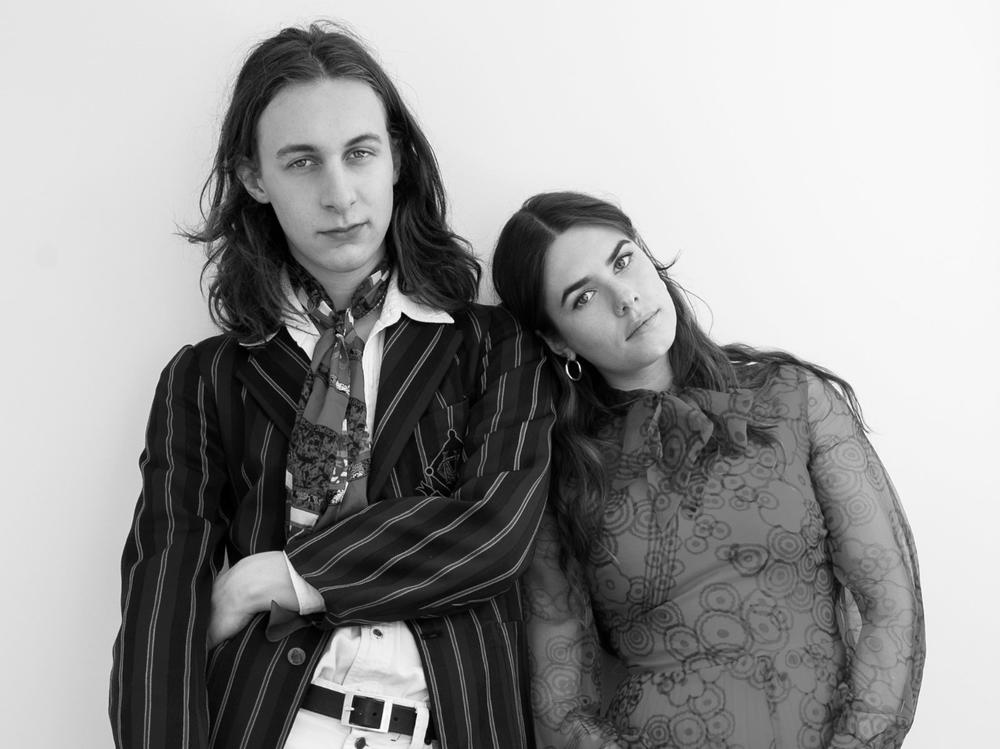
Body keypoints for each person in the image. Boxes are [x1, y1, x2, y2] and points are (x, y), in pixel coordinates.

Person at [109, 23, 553, 749]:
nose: (339, 194)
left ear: (397, 158)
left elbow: (495, 534)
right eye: (302, 162)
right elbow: (163, 604)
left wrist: (275, 577)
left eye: (359, 153)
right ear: (255, 179)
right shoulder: (207, 377)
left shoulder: (493, 346)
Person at [491, 192, 924, 749]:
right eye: (584, 297)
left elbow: (890, 604)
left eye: (623, 261)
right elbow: (560, 705)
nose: (625, 298)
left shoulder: (792, 398)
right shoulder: (561, 476)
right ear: (557, 339)